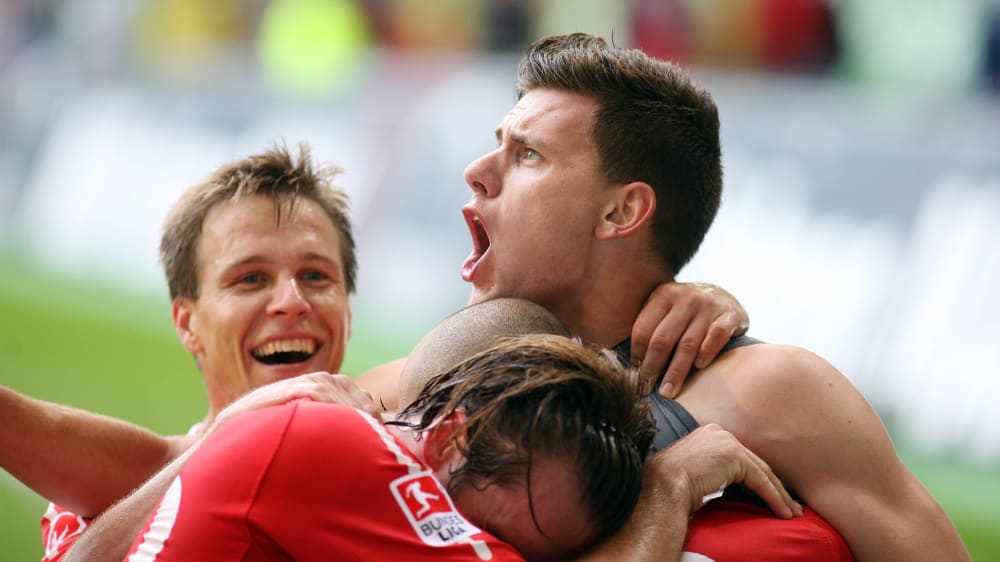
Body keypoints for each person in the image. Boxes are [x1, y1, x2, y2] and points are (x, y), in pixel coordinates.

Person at [361, 32, 968, 561]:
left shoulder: (770, 392)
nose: (476, 169)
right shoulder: (435, 378)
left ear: (623, 211)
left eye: (528, 155)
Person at [0, 143, 748, 560]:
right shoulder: (318, 444)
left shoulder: (374, 412)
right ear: (188, 322)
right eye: (251, 278)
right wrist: (668, 488)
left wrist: (678, 294)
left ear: (348, 309)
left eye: (317, 276)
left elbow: (521, 339)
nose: (290, 299)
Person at [124, 334, 657, 561]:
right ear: (451, 438)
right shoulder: (345, 449)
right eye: (490, 538)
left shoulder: (321, 441)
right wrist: (672, 488)